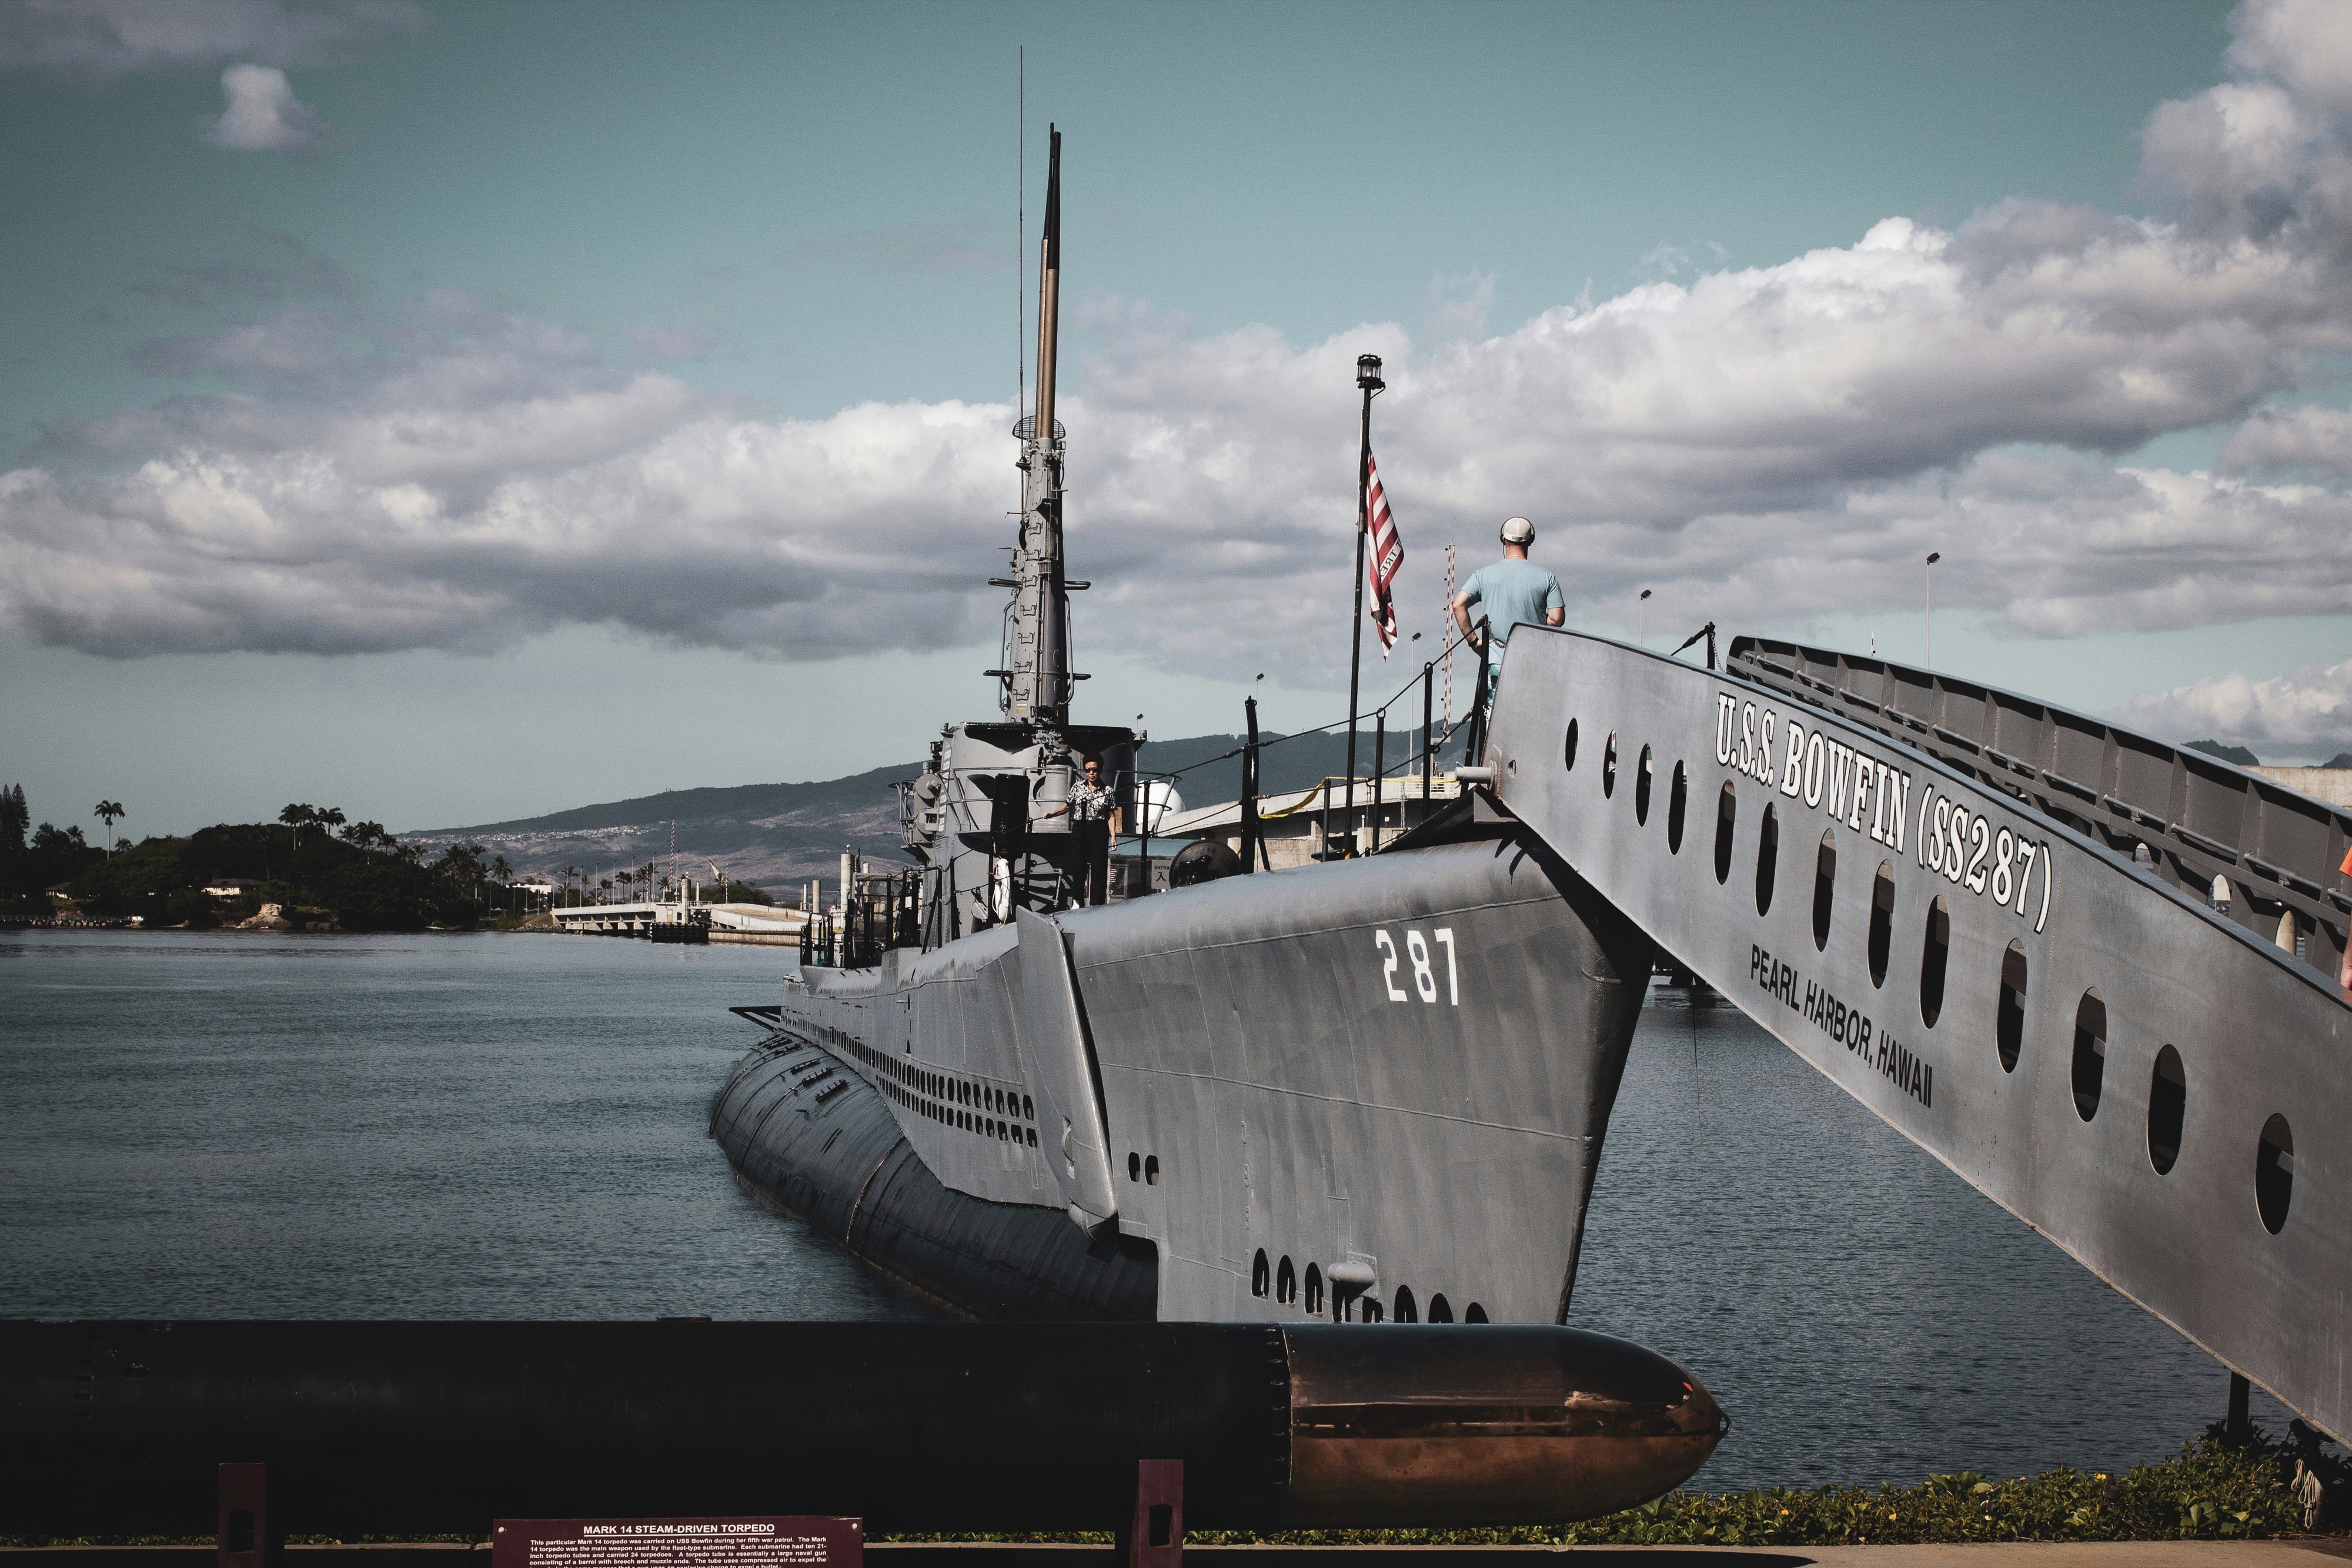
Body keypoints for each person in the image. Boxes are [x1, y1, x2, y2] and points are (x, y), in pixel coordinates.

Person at [1452, 514, 1565, 709]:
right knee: (1531, 716)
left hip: (1495, 661)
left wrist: (1474, 642)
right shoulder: (1547, 577)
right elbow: (1557, 619)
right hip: (1535, 662)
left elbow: (1458, 605)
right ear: (1531, 540)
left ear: (1503, 539)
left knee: (1493, 717)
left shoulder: (1483, 575)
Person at [1043, 754, 1122, 907]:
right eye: (1088, 770)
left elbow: (1111, 815)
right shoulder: (1078, 787)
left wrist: (1113, 836)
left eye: (1094, 770)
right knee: (1078, 866)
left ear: (1100, 770)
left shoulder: (1108, 791)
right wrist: (1052, 814)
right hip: (1080, 828)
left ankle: (1096, 905)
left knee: (1099, 868)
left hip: (1099, 830)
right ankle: (1078, 900)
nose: (1091, 773)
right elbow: (1067, 806)